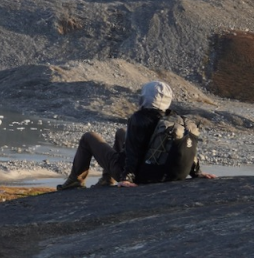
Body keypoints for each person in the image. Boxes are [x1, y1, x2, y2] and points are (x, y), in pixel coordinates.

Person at [56, 80, 215, 190]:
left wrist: (127, 178)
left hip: (141, 176)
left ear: (146, 97)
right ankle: (106, 179)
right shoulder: (175, 119)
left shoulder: (139, 119)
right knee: (121, 133)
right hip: (165, 172)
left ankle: (74, 183)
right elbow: (184, 146)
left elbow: (133, 152)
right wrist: (197, 172)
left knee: (89, 137)